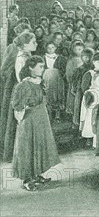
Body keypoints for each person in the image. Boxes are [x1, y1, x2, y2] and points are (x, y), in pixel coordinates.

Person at [11, 56, 60, 191]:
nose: (42, 69)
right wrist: (25, 110)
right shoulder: (23, 85)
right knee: (27, 146)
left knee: (39, 144)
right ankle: (27, 179)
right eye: (40, 66)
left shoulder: (40, 81)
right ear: (30, 68)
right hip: (29, 119)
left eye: (43, 66)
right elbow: (16, 104)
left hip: (41, 117)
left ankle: (37, 174)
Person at [0, 31, 37, 162]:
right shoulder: (22, 58)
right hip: (24, 94)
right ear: (25, 45)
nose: (36, 44)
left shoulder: (28, 55)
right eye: (33, 42)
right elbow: (21, 79)